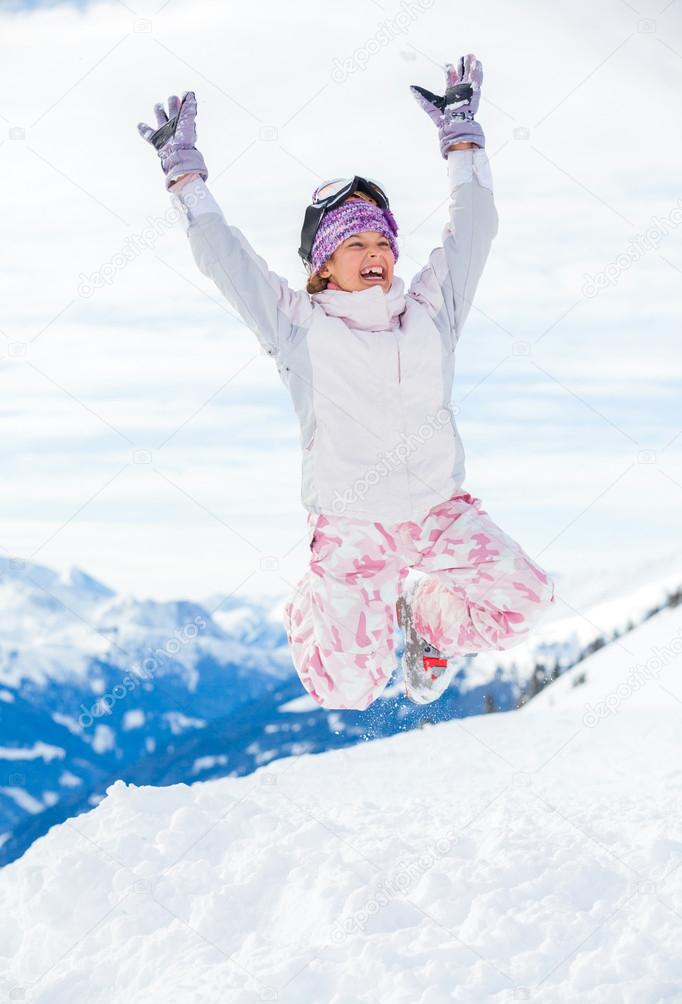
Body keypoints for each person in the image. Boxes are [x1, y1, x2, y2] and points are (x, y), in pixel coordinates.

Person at [137, 54, 556, 711]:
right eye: (355, 243)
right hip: (352, 529)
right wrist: (184, 175)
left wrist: (463, 140)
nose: (377, 254)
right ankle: (313, 600)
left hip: (438, 514)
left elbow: (474, 230)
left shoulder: (430, 314)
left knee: (526, 600)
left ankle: (429, 618)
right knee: (348, 689)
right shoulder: (300, 329)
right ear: (323, 265)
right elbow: (229, 262)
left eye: (383, 242)